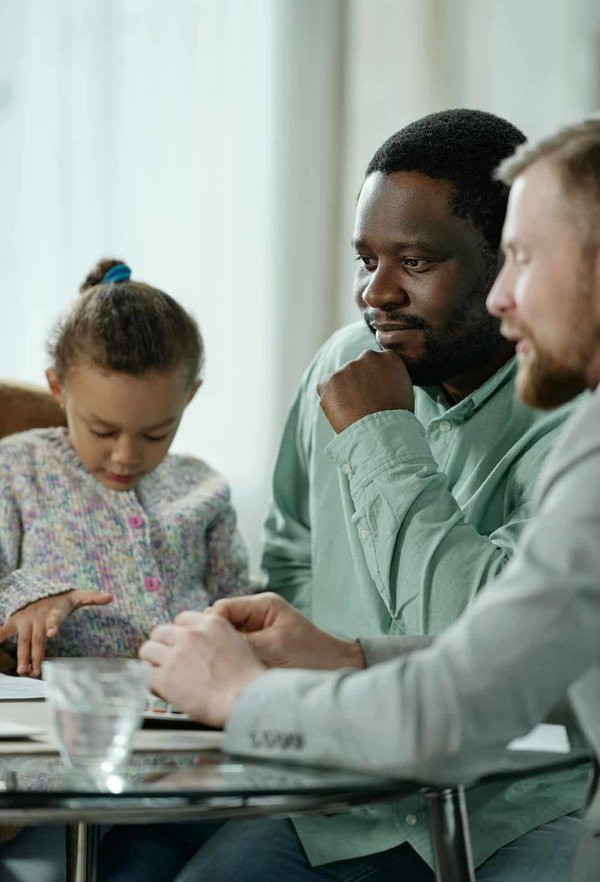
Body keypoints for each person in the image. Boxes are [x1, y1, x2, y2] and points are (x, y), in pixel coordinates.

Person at [117, 110, 587, 882]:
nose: (377, 291)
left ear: (503, 268)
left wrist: (378, 434)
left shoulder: (571, 428)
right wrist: (322, 674)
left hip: (505, 804)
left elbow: (490, 664)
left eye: (417, 261)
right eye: (366, 258)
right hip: (334, 799)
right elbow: (293, 553)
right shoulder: (342, 360)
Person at [0, 258, 250, 676]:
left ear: (189, 397)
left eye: (155, 434)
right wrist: (32, 596)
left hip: (189, 702)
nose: (126, 456)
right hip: (65, 707)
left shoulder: (204, 487)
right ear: (58, 389)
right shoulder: (17, 469)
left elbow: (238, 602)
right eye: (102, 431)